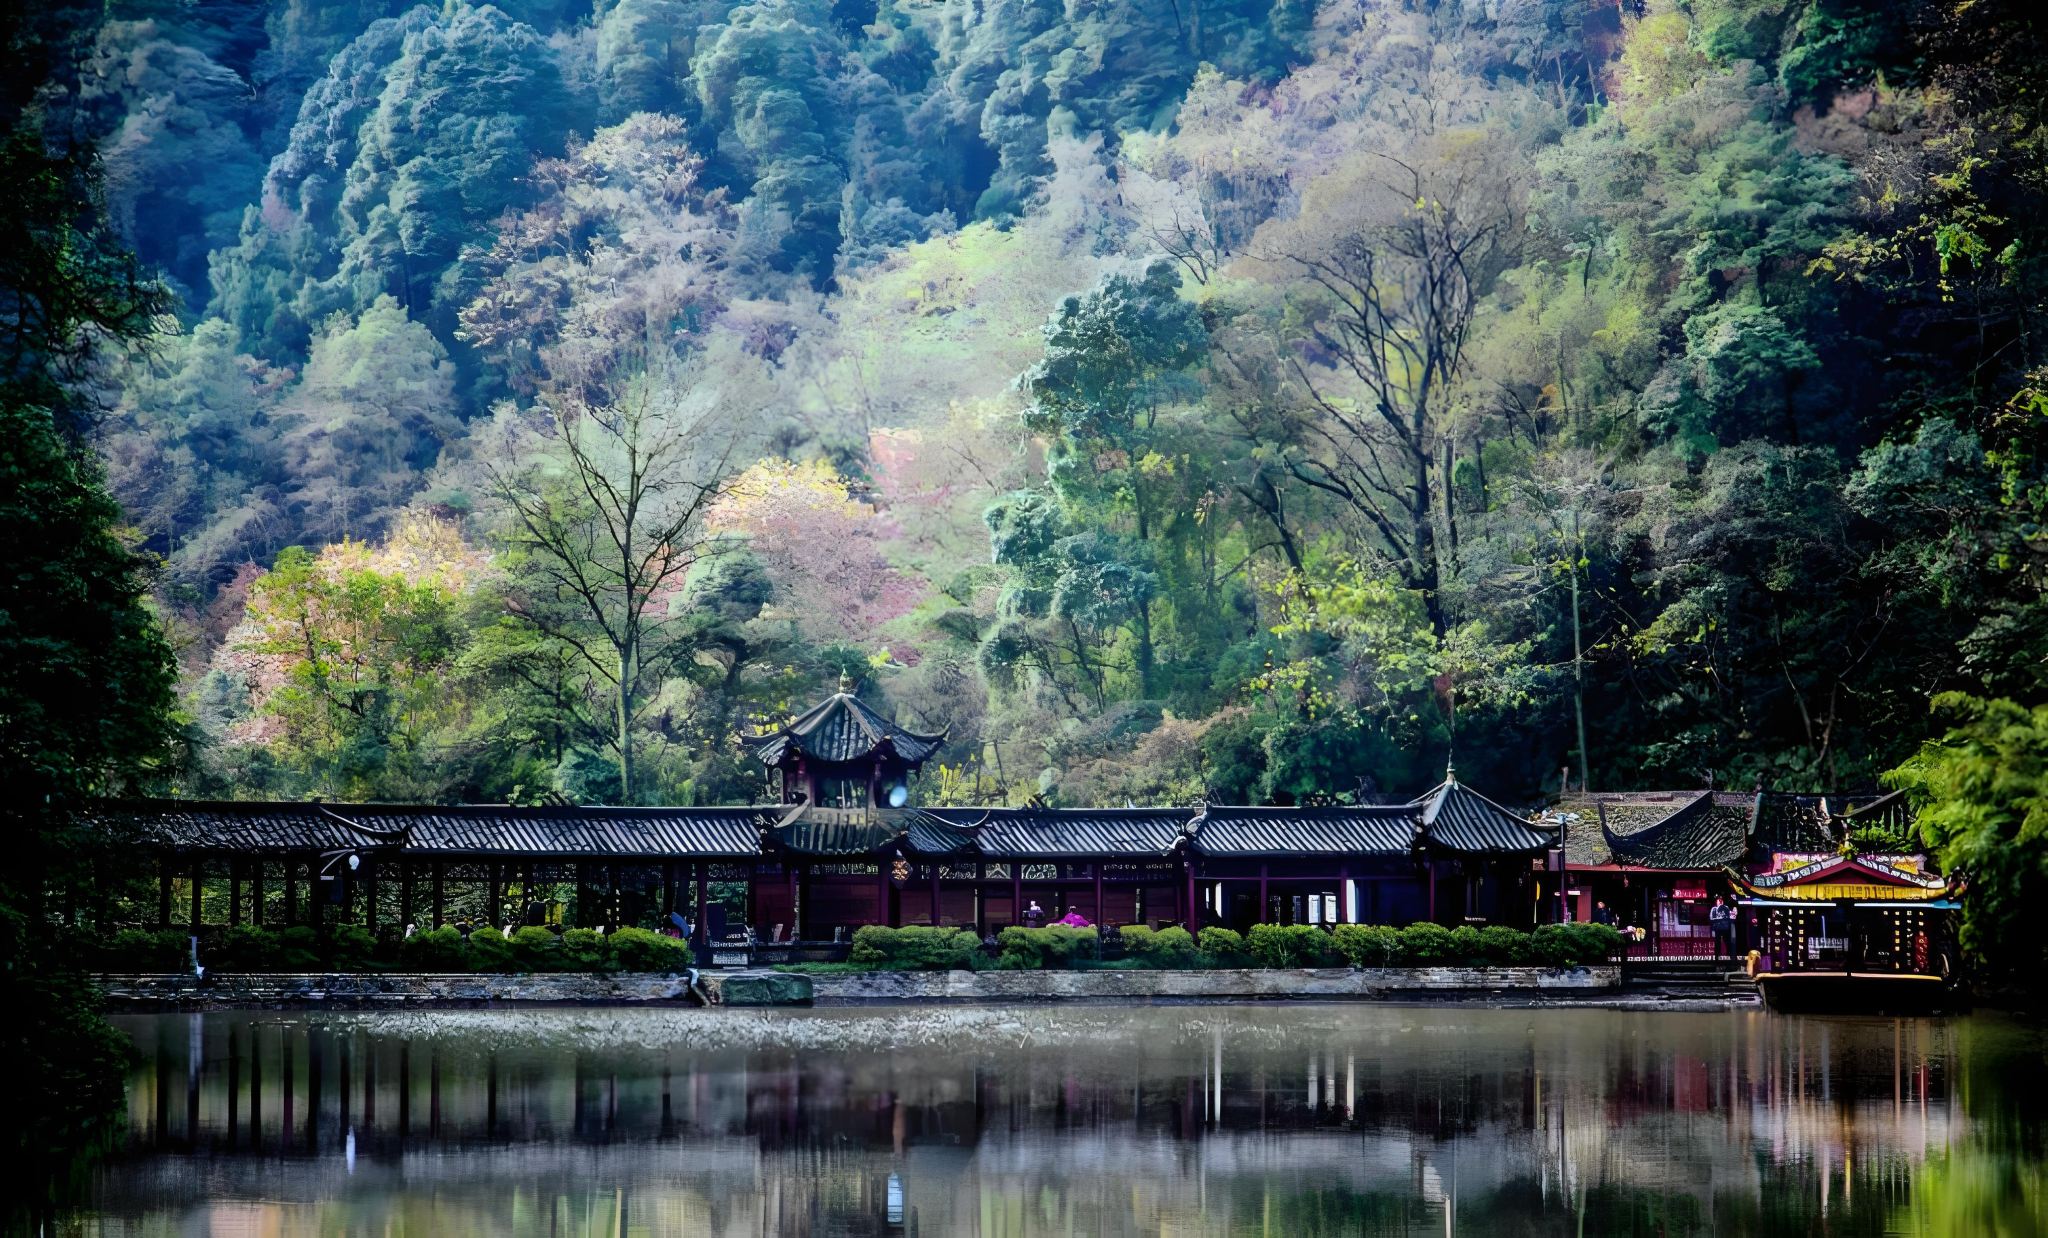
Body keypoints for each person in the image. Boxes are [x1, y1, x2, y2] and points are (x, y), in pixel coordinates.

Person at [1709, 895, 1737, 962]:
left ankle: (1728, 956)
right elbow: (1711, 918)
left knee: (1727, 942)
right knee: (1717, 943)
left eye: (1721, 900)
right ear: (1716, 901)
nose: (1720, 901)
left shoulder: (1726, 907)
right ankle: (1717, 957)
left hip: (1726, 928)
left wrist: (1733, 913)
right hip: (1717, 928)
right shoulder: (1714, 909)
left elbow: (1732, 916)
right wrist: (1720, 919)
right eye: (1719, 900)